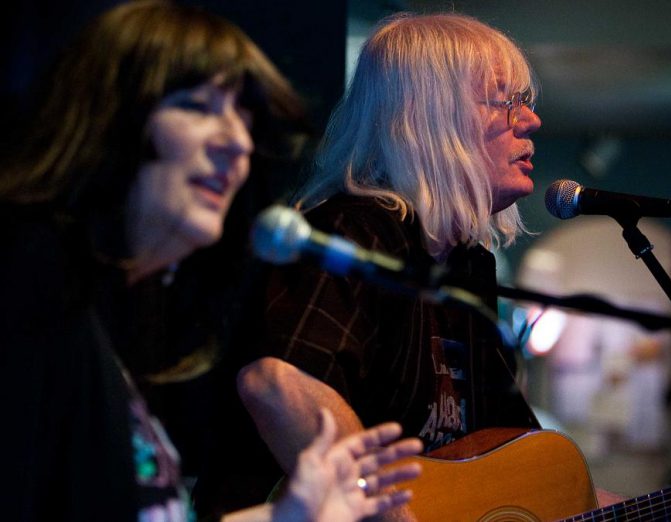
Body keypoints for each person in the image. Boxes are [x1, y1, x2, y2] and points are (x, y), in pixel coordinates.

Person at [0, 2, 423, 521]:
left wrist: (289, 516)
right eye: (199, 107)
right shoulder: (27, 285)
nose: (238, 142)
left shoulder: (116, 318)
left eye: (242, 118)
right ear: (108, 115)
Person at [227, 11, 625, 519]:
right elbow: (278, 382)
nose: (531, 121)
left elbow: (525, 473)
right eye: (506, 102)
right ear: (430, 116)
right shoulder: (353, 234)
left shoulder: (467, 269)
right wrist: (388, 512)